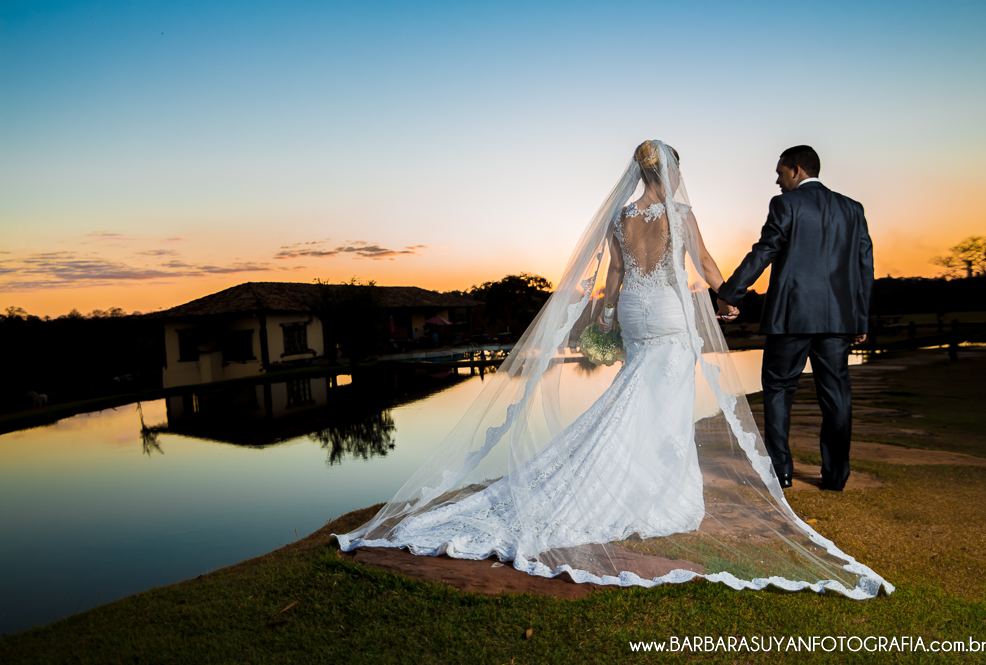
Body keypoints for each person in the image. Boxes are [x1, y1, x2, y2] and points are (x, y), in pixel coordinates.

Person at [337, 141, 891, 599]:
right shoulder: (683, 215)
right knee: (664, 402)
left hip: (634, 311)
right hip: (671, 313)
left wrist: (604, 316)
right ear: (669, 172)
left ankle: (646, 474)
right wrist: (728, 297)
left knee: (635, 391)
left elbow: (616, 276)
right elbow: (704, 264)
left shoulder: (621, 217)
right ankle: (658, 490)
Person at [717, 146, 873, 492]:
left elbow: (765, 251)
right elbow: (864, 266)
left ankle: (781, 472)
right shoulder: (852, 209)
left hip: (791, 317)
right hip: (838, 320)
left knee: (778, 389)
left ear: (797, 170)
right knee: (836, 395)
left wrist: (730, 293)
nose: (777, 180)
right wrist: (860, 320)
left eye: (781, 172)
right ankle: (836, 477)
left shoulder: (785, 205)